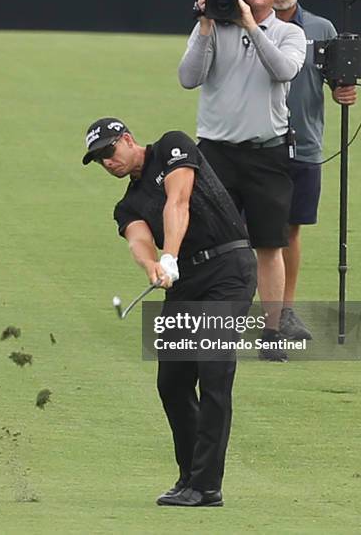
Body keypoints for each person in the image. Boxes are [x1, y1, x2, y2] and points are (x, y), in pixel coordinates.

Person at [82, 117, 257, 507]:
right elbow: (138, 239)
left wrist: (170, 254)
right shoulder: (126, 205)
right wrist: (153, 267)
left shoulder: (172, 147)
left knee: (213, 371)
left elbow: (179, 201)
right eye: (99, 160)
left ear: (128, 139)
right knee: (173, 382)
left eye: (109, 151)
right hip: (185, 281)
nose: (107, 162)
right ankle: (189, 477)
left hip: (228, 269)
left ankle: (207, 486)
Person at [178, 0, 307, 362]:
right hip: (216, 151)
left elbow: (283, 70)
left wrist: (251, 24)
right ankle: (212, 329)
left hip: (266, 153)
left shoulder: (290, 34)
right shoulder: (214, 26)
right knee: (213, 243)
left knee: (270, 243)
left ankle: (271, 332)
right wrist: (204, 24)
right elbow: (188, 78)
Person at [272, 0, 357, 339]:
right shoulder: (252, 24)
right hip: (255, 145)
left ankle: (285, 310)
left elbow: (337, 80)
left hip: (304, 144)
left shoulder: (322, 29)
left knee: (290, 230)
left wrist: (345, 89)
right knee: (244, 230)